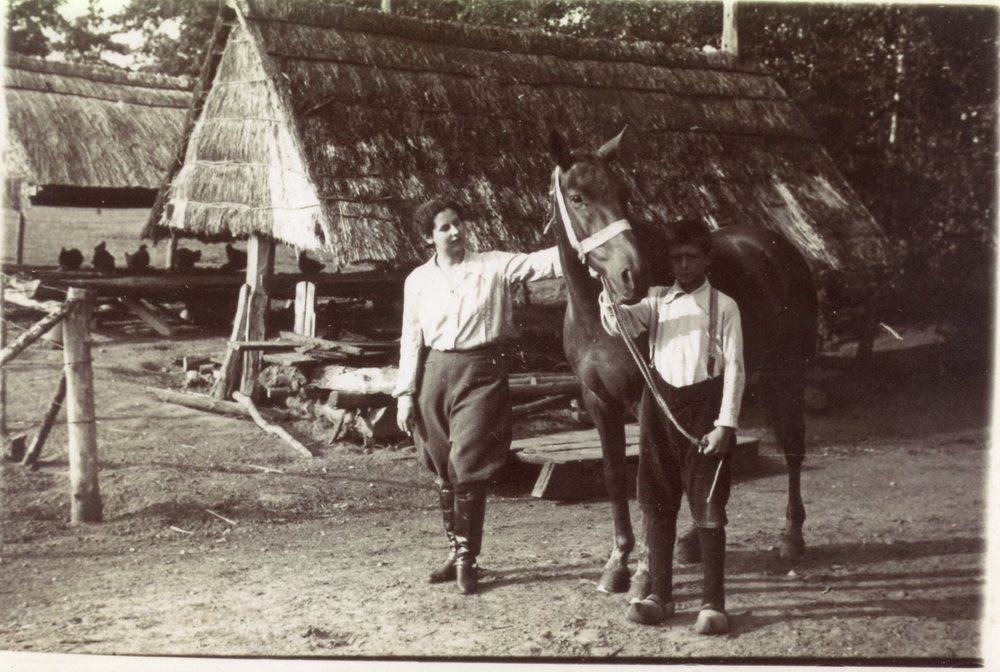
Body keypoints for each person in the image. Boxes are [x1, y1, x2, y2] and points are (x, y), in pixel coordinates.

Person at [394, 198, 562, 595]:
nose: (455, 231)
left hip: (482, 371)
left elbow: (544, 263)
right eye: (444, 227)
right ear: (428, 238)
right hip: (435, 373)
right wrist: (405, 394)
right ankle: (455, 551)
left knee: (468, 463)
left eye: (458, 222)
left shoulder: (493, 265)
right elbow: (410, 339)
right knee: (442, 465)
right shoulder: (418, 280)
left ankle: (468, 560)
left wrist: (586, 235)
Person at [599, 218, 745, 634]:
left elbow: (735, 368)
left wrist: (725, 424)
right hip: (659, 411)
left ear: (708, 259)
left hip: (705, 414)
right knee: (658, 504)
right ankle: (659, 596)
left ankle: (713, 604)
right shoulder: (657, 299)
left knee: (708, 508)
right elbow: (621, 324)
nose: (683, 265)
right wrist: (607, 293)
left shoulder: (724, 306)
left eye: (692, 257)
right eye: (676, 257)